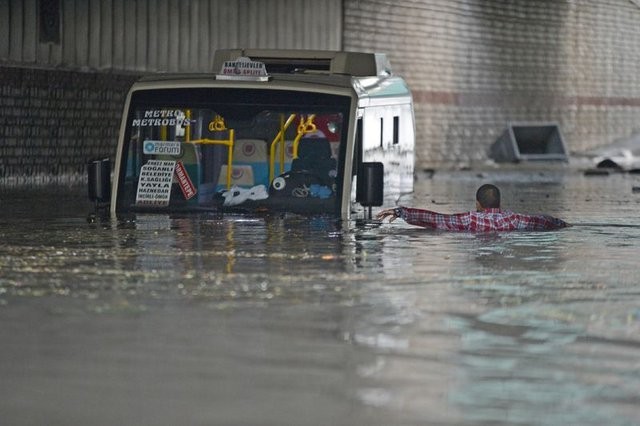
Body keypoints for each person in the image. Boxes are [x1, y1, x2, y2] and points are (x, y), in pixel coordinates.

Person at [376, 184, 569, 231]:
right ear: (499, 204)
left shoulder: (470, 219)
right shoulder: (516, 219)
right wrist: (563, 224)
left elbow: (435, 219)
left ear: (478, 204)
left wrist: (401, 211)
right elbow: (544, 220)